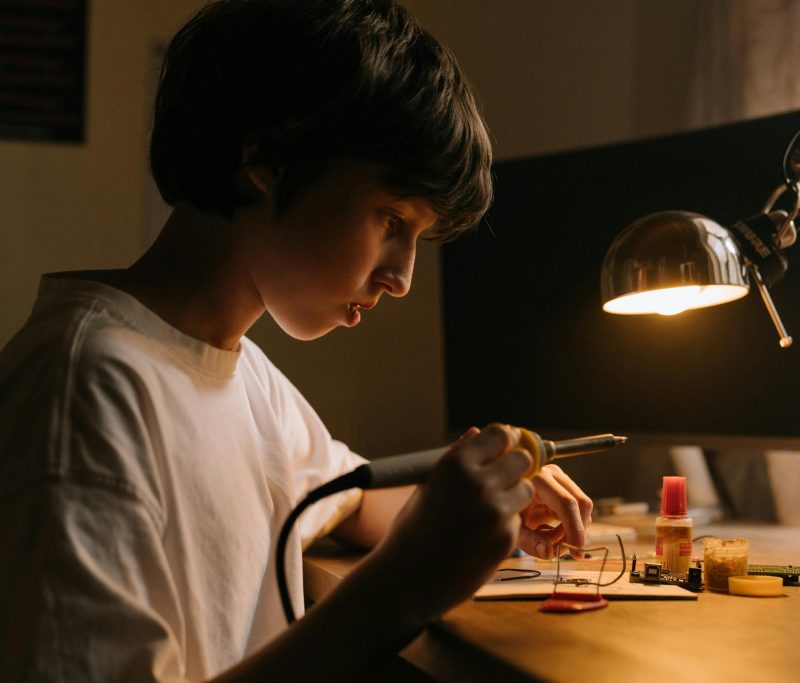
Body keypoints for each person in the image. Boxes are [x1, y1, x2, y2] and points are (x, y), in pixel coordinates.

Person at [0, 1, 593, 680]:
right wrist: (398, 591)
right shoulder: (86, 388)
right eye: (392, 218)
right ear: (269, 159)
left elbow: (356, 499)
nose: (401, 278)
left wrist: (484, 502)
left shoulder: (242, 373)